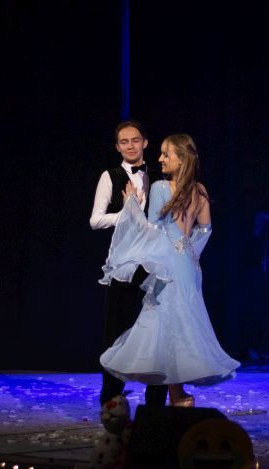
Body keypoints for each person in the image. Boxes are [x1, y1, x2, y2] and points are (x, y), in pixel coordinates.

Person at [99, 133, 239, 406]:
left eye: (166, 154)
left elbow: (152, 231)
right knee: (181, 322)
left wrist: (131, 206)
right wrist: (188, 251)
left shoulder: (161, 187)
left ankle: (178, 395)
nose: (160, 159)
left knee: (167, 325)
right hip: (189, 265)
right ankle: (177, 394)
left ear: (182, 159)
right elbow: (206, 229)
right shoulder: (200, 190)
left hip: (169, 265)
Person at [90, 120, 168, 407]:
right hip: (124, 264)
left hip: (156, 263)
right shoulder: (110, 176)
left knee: (156, 333)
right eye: (124, 141)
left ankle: (156, 404)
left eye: (135, 140)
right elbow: (96, 220)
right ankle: (111, 400)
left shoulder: (161, 175)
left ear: (145, 142)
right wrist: (127, 212)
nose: (131, 146)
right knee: (116, 332)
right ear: (117, 147)